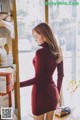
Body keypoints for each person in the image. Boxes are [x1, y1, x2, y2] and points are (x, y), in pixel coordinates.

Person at [20, 22, 64, 120]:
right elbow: (60, 76)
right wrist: (57, 93)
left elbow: (38, 79)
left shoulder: (40, 53)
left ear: (43, 35)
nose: (35, 40)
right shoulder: (58, 51)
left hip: (40, 94)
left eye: (36, 36)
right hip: (53, 93)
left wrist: (17, 85)